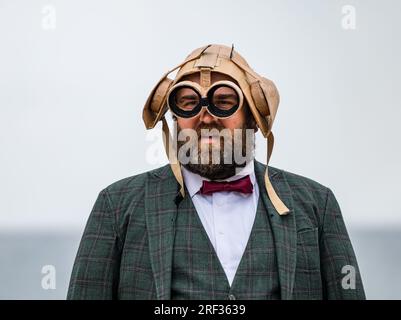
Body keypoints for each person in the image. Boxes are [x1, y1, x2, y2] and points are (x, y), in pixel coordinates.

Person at [67, 44, 365, 300]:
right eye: (188, 103)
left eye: (224, 101)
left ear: (254, 115)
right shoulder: (118, 206)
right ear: (173, 117)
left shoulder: (315, 205)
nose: (205, 116)